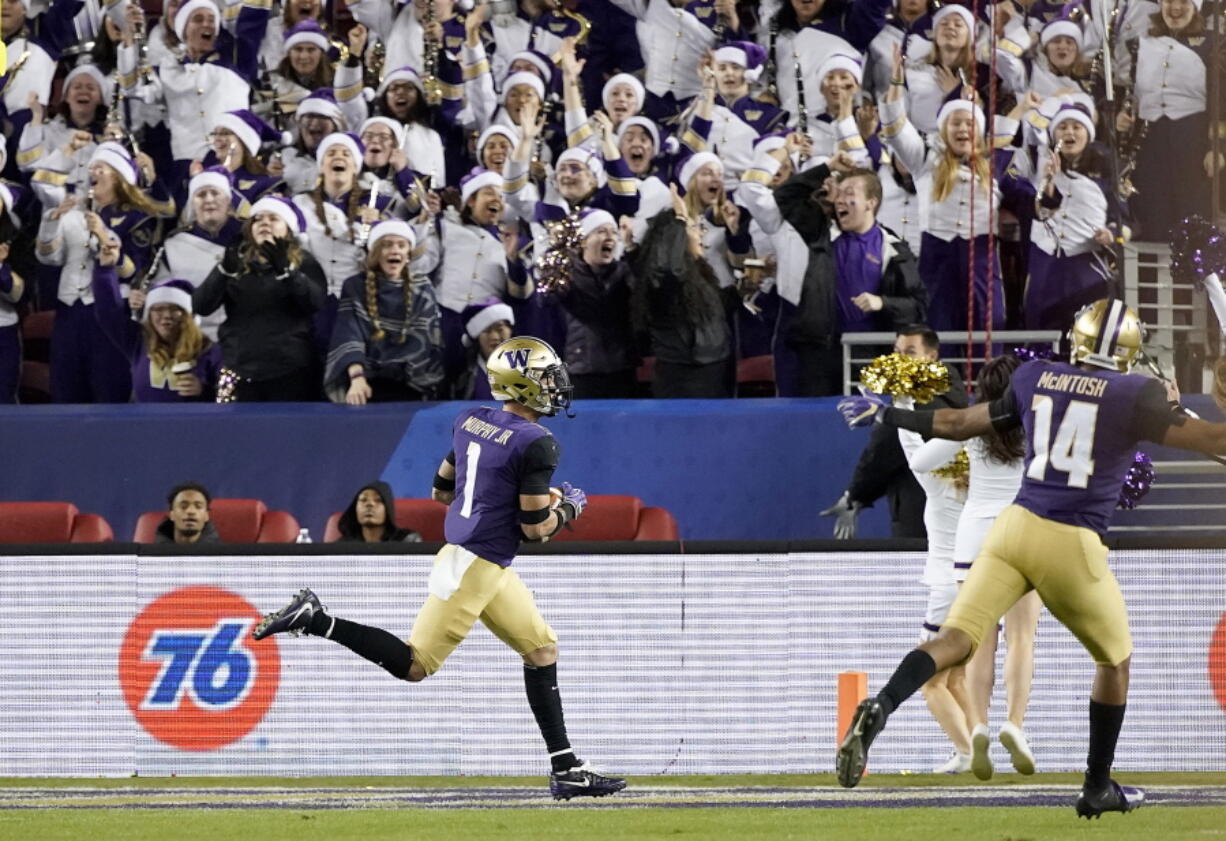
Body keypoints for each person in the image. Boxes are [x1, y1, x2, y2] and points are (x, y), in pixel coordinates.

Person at [833, 298, 1226, 817]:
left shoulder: (1036, 377)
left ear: (1076, 341)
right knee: (1114, 662)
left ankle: (881, 704)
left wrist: (890, 412)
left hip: (1013, 529)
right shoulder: (1136, 393)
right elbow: (1214, 440)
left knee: (955, 639)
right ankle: (1096, 785)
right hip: (1073, 542)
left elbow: (956, 422)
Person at [252, 336, 627, 801]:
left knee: (542, 650)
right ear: (521, 382)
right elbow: (535, 529)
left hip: (483, 562)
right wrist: (569, 507)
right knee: (415, 665)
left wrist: (503, 499)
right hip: (477, 565)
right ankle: (316, 619)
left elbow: (441, 492)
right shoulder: (538, 442)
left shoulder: (471, 420)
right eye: (547, 377)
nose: (556, 385)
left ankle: (566, 767)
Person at [908, 352, 1041, 779]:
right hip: (1023, 530)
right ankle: (1015, 725)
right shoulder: (1038, 424)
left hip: (974, 539)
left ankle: (979, 725)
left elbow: (921, 461)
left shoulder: (972, 420)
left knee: (980, 641)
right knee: (1022, 639)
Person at [193, 196, 327, 401]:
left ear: (288, 229)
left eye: (273, 218)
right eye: (258, 219)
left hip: (290, 372)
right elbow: (200, 306)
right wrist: (222, 272)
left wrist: (287, 272)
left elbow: (315, 303)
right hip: (236, 370)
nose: (264, 223)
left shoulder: (304, 263)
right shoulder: (234, 262)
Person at [334, 480, 422, 543]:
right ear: (355, 509)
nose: (370, 504)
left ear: (388, 509)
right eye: (363, 500)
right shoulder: (343, 546)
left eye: (378, 500)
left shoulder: (407, 541)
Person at [155, 481, 221, 544]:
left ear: (207, 515)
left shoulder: (221, 554)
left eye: (198, 507)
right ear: (171, 514)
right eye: (183, 506)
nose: (191, 511)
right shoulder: (153, 554)